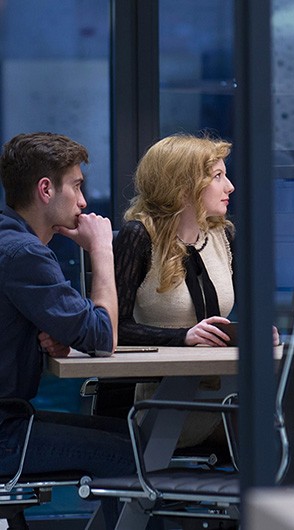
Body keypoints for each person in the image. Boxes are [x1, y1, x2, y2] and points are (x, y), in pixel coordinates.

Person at [0, 132, 135, 526]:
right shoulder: (24, 254)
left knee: (122, 436)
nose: (83, 202)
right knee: (135, 454)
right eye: (76, 186)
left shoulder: (11, 243)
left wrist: (43, 337)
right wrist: (102, 251)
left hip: (12, 421)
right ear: (46, 189)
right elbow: (101, 337)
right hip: (7, 434)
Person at [114, 134, 279, 449]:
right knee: (275, 438)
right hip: (162, 404)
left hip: (223, 394)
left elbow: (246, 313)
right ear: (183, 187)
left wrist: (256, 333)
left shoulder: (222, 235)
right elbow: (113, 328)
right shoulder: (138, 237)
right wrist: (183, 337)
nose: (229, 186)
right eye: (218, 177)